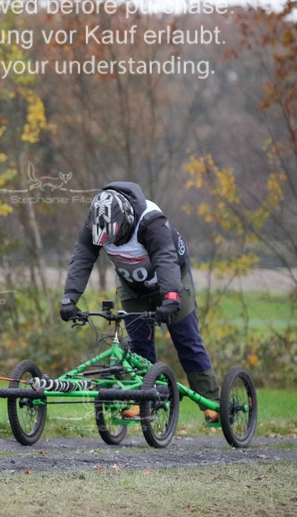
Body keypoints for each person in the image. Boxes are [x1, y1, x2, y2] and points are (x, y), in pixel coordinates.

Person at [59, 181, 220, 423]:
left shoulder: (151, 222)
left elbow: (167, 260)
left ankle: (212, 402)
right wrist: (69, 298)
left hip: (174, 281)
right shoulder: (97, 221)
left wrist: (171, 298)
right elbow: (82, 258)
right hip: (133, 288)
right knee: (138, 346)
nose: (109, 243)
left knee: (186, 340)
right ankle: (146, 400)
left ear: (125, 221)